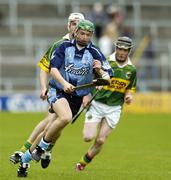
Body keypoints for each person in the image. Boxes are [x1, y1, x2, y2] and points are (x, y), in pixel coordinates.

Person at [17, 19, 112, 177]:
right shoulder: (64, 47)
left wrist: (100, 71)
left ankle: (25, 160)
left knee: (50, 129)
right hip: (58, 90)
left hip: (76, 97)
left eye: (88, 34)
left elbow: (108, 77)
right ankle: (42, 148)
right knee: (65, 117)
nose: (84, 37)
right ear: (75, 32)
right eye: (82, 33)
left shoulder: (95, 52)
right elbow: (53, 69)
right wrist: (64, 82)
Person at [9, 12, 85, 168]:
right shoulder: (59, 44)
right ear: (68, 25)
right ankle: (27, 152)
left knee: (56, 123)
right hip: (58, 90)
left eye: (79, 24)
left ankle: (44, 150)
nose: (75, 26)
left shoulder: (87, 48)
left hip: (74, 94)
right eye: (73, 23)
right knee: (50, 120)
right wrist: (43, 87)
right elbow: (44, 67)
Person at [75, 36, 137, 171]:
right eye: (119, 49)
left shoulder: (131, 70)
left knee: (100, 140)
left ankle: (82, 163)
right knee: (88, 137)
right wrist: (86, 95)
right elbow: (87, 79)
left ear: (129, 51)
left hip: (114, 108)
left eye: (125, 50)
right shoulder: (105, 62)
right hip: (97, 104)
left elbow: (130, 89)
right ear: (116, 48)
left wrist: (128, 97)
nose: (121, 52)